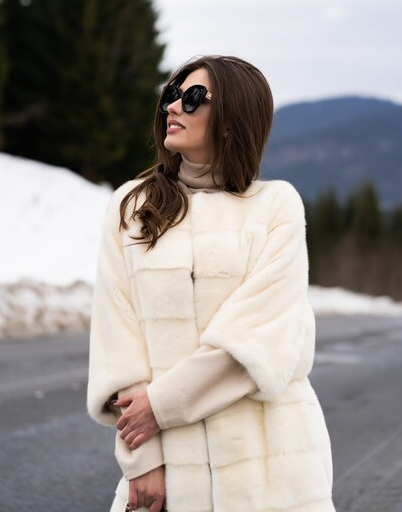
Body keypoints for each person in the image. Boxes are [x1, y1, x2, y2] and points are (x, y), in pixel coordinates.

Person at [87, 55, 336, 512]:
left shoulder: (276, 206)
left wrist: (160, 404)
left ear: (231, 119)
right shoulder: (132, 207)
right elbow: (116, 342)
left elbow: (262, 340)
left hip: (273, 468)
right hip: (170, 466)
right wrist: (140, 462)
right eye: (172, 95)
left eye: (194, 96)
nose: (174, 106)